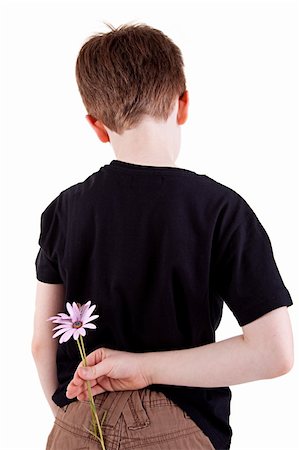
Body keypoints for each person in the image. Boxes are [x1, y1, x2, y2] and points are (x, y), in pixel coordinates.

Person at [31, 23, 294, 450]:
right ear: (183, 103)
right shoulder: (219, 209)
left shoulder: (63, 210)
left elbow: (43, 341)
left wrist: (69, 416)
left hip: (80, 421)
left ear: (96, 125)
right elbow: (275, 352)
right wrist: (146, 369)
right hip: (178, 426)